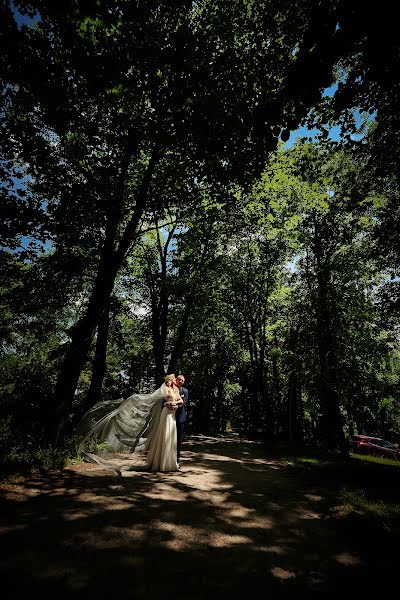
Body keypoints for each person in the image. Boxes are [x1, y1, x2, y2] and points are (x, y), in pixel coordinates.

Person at [76, 374, 183, 474]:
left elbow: (181, 400)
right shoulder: (164, 388)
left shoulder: (176, 390)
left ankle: (171, 463)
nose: (175, 381)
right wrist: (167, 403)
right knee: (164, 436)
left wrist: (174, 403)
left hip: (172, 414)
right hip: (166, 413)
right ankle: (162, 463)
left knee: (171, 436)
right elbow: (160, 398)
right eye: (174, 379)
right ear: (169, 380)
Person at [175, 374, 189, 466]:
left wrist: (175, 405)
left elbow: (184, 402)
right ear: (176, 380)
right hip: (169, 417)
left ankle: (177, 460)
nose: (181, 382)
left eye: (183, 381)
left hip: (180, 418)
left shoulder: (185, 391)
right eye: (180, 380)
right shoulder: (171, 389)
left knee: (178, 440)